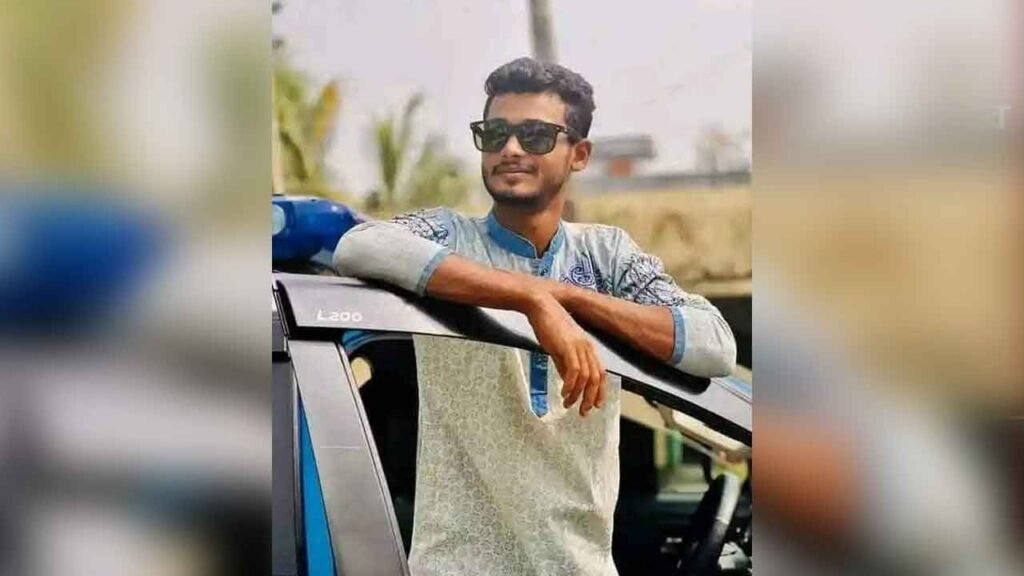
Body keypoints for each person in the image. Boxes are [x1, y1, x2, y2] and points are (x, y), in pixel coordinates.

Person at [334, 57, 736, 575]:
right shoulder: (450, 238)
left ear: (579, 154)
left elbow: (715, 345)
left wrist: (571, 300)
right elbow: (359, 246)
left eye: (535, 136)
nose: (510, 149)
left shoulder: (607, 258)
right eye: (495, 133)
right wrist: (529, 297)